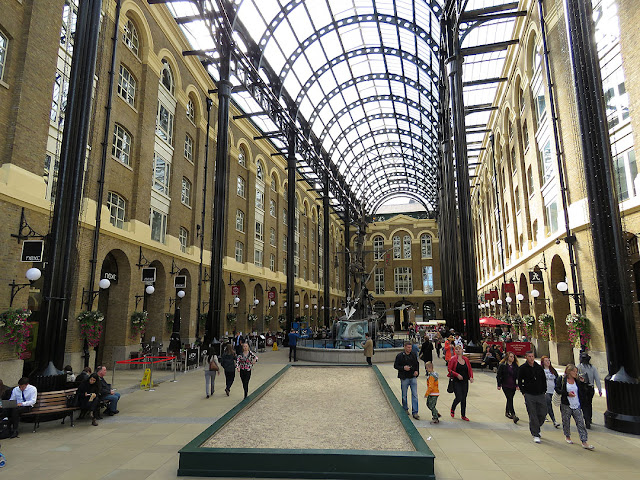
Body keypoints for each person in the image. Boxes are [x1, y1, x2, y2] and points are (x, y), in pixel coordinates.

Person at [555, 364, 594, 450]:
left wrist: (583, 383)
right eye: (574, 371)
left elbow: (583, 391)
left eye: (576, 372)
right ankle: (567, 436)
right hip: (566, 404)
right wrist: (567, 394)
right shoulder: (562, 379)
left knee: (580, 422)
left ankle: (584, 441)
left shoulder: (577, 381)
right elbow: (557, 389)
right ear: (569, 372)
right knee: (566, 421)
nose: (576, 373)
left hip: (576, 404)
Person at [517, 351, 547, 443]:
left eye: (532, 356)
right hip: (529, 394)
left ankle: (537, 426)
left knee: (543, 412)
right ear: (526, 357)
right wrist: (523, 392)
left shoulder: (539, 368)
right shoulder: (522, 368)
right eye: (529, 356)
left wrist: (544, 390)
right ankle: (535, 433)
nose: (531, 358)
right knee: (533, 414)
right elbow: (519, 380)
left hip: (540, 393)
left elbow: (543, 379)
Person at [394, 341, 420, 419]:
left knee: (415, 395)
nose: (409, 349)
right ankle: (405, 408)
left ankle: (415, 412)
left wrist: (417, 371)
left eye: (410, 347)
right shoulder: (400, 356)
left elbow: (417, 364)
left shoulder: (413, 355)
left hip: (412, 376)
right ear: (405, 347)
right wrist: (403, 368)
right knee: (404, 395)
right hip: (404, 377)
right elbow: (395, 365)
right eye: (408, 347)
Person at [448, 344, 474, 421]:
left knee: (464, 398)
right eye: (456, 349)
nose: (458, 351)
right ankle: (453, 408)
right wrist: (457, 375)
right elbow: (449, 369)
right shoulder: (453, 359)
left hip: (465, 381)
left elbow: (469, 369)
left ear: (462, 350)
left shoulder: (466, 359)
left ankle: (463, 415)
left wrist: (471, 377)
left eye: (459, 349)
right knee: (459, 397)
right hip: (456, 381)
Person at [577, 352, 602, 429]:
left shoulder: (579, 367)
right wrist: (599, 389)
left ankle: (586, 419)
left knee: (584, 404)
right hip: (590, 388)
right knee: (589, 403)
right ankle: (589, 418)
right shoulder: (593, 368)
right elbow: (597, 379)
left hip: (582, 388)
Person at [496, 351, 519, 423]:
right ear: (507, 357)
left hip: (513, 385)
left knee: (510, 398)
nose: (512, 358)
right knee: (509, 398)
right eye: (510, 357)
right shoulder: (503, 365)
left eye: (513, 357)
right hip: (505, 385)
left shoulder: (515, 366)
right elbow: (498, 375)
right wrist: (499, 384)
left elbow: (518, 376)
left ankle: (507, 412)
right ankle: (513, 414)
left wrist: (518, 385)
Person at [541, 356, 560, 428]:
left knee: (546, 405)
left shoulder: (553, 370)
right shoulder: (541, 370)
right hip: (546, 391)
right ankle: (554, 420)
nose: (548, 362)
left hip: (553, 390)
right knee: (549, 404)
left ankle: (543, 414)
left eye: (548, 360)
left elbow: (557, 379)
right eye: (546, 361)